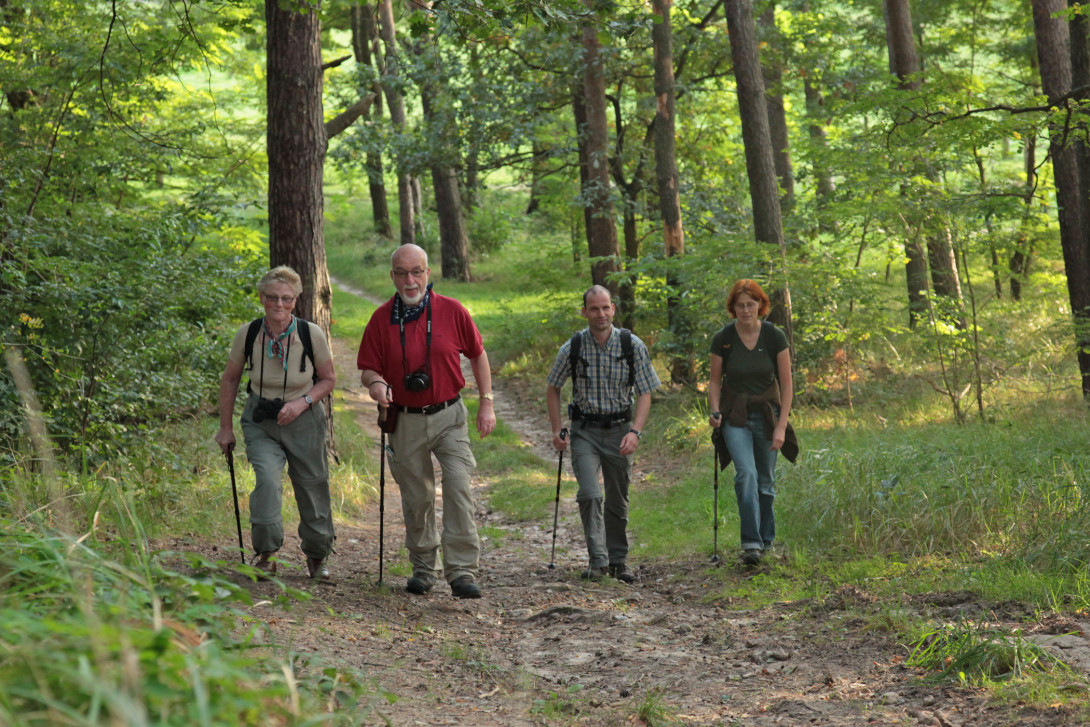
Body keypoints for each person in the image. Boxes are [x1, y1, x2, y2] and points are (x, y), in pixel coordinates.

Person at [357, 244, 496, 599]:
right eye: (402, 273)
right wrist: (376, 384)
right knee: (417, 497)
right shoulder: (380, 319)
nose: (410, 279)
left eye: (416, 271)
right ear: (392, 277)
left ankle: (462, 571)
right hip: (404, 419)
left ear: (428, 273)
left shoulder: (451, 311)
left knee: (459, 485)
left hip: (449, 415)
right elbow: (368, 367)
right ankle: (423, 567)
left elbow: (478, 355)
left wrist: (487, 402)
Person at [215, 265, 337, 580]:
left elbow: (327, 380)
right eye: (272, 298)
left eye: (285, 298)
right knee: (267, 480)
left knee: (312, 487)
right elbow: (229, 380)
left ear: (295, 301)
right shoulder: (249, 333)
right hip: (261, 419)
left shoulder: (311, 334)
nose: (278, 305)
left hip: (305, 419)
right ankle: (266, 552)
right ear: (261, 298)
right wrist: (225, 427)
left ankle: (317, 555)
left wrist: (302, 403)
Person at [545, 285, 661, 583]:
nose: (601, 314)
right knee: (590, 494)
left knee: (617, 500)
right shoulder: (572, 347)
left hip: (621, 430)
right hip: (585, 432)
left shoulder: (631, 345)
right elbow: (553, 387)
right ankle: (598, 561)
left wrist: (636, 431)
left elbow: (646, 392)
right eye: (594, 308)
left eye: (606, 307)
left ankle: (618, 561)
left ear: (614, 309)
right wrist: (557, 428)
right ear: (584, 312)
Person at [707, 279, 796, 567]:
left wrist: (782, 425)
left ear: (760, 305)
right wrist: (715, 410)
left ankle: (765, 539)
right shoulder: (723, 338)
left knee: (766, 482)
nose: (746, 309)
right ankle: (751, 545)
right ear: (732, 308)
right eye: (740, 305)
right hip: (735, 416)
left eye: (751, 304)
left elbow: (786, 383)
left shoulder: (774, 337)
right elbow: (714, 380)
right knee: (746, 474)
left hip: (768, 415)